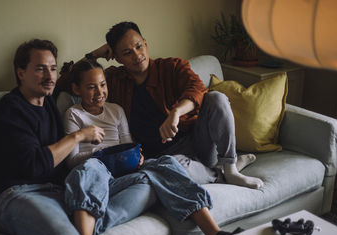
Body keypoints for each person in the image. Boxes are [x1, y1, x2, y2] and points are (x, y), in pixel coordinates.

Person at [0, 39, 155, 235]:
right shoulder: (10, 110)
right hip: (18, 194)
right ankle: (81, 232)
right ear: (21, 73)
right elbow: (36, 165)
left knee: (146, 183)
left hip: (56, 191)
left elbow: (78, 77)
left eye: (52, 69)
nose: (49, 75)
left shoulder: (49, 104)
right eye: (40, 68)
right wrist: (78, 136)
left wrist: (94, 54)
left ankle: (86, 224)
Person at [61, 59, 245, 235]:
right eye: (91, 87)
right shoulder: (74, 114)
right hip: (97, 171)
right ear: (76, 89)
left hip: (125, 173)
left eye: (102, 85)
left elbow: (128, 144)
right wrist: (97, 152)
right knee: (89, 167)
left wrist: (137, 156)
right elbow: (71, 162)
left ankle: (216, 234)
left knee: (164, 163)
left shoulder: (116, 110)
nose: (99, 92)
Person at [83, 21, 264, 189]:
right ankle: (219, 173)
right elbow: (70, 82)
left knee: (217, 98)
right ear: (117, 58)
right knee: (169, 169)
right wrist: (93, 55)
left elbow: (198, 89)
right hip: (162, 158)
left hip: (198, 143)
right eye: (127, 53)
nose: (137, 55)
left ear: (145, 43)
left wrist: (176, 112)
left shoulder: (171, 67)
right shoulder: (114, 80)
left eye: (138, 46)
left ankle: (230, 170)